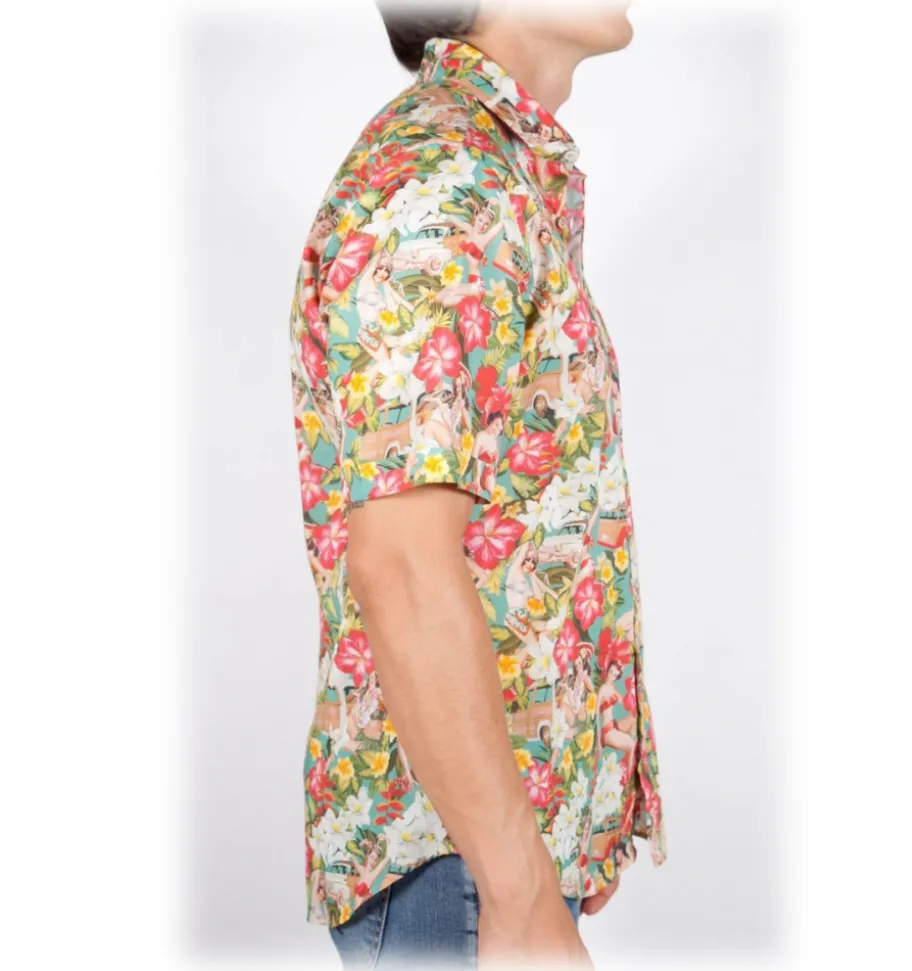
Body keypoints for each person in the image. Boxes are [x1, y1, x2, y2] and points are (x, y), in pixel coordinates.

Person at [288, 4, 666, 967]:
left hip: (483, 854)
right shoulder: (443, 179)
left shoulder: (487, 168)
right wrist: (520, 891)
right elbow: (401, 566)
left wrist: (572, 812)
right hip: (456, 869)